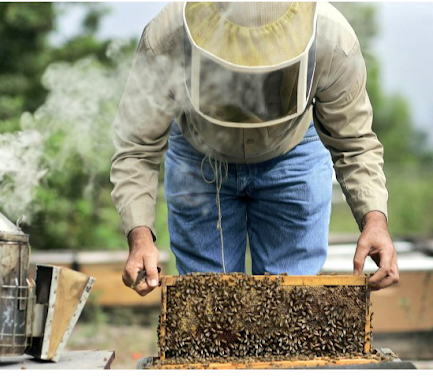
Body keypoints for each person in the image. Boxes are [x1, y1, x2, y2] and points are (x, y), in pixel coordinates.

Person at [110, 2, 399, 297]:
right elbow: (136, 146)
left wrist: (374, 220)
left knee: (290, 305)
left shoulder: (333, 41)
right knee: (209, 304)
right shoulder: (166, 38)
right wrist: (140, 236)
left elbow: (355, 143)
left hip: (293, 151)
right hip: (200, 157)